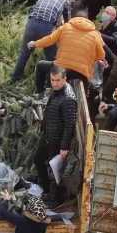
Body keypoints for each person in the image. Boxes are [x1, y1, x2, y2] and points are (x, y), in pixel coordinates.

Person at [30, 8, 106, 93]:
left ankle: (40, 93)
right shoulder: (95, 34)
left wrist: (35, 43)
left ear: (74, 18)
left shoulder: (65, 27)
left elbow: (50, 39)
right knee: (84, 86)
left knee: (41, 65)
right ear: (88, 20)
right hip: (81, 73)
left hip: (62, 67)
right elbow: (101, 55)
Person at [33, 66, 77, 205]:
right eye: (53, 80)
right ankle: (45, 188)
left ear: (65, 79)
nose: (55, 83)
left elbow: (69, 125)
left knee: (55, 172)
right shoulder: (56, 92)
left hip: (57, 141)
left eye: (58, 80)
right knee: (38, 160)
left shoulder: (68, 99)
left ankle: (55, 198)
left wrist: (64, 147)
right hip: (48, 136)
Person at [12, 0, 71, 81]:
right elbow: (68, 21)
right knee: (51, 56)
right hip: (46, 26)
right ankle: (49, 82)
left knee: (25, 52)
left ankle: (15, 77)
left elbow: (33, 10)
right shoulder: (65, 0)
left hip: (31, 23)